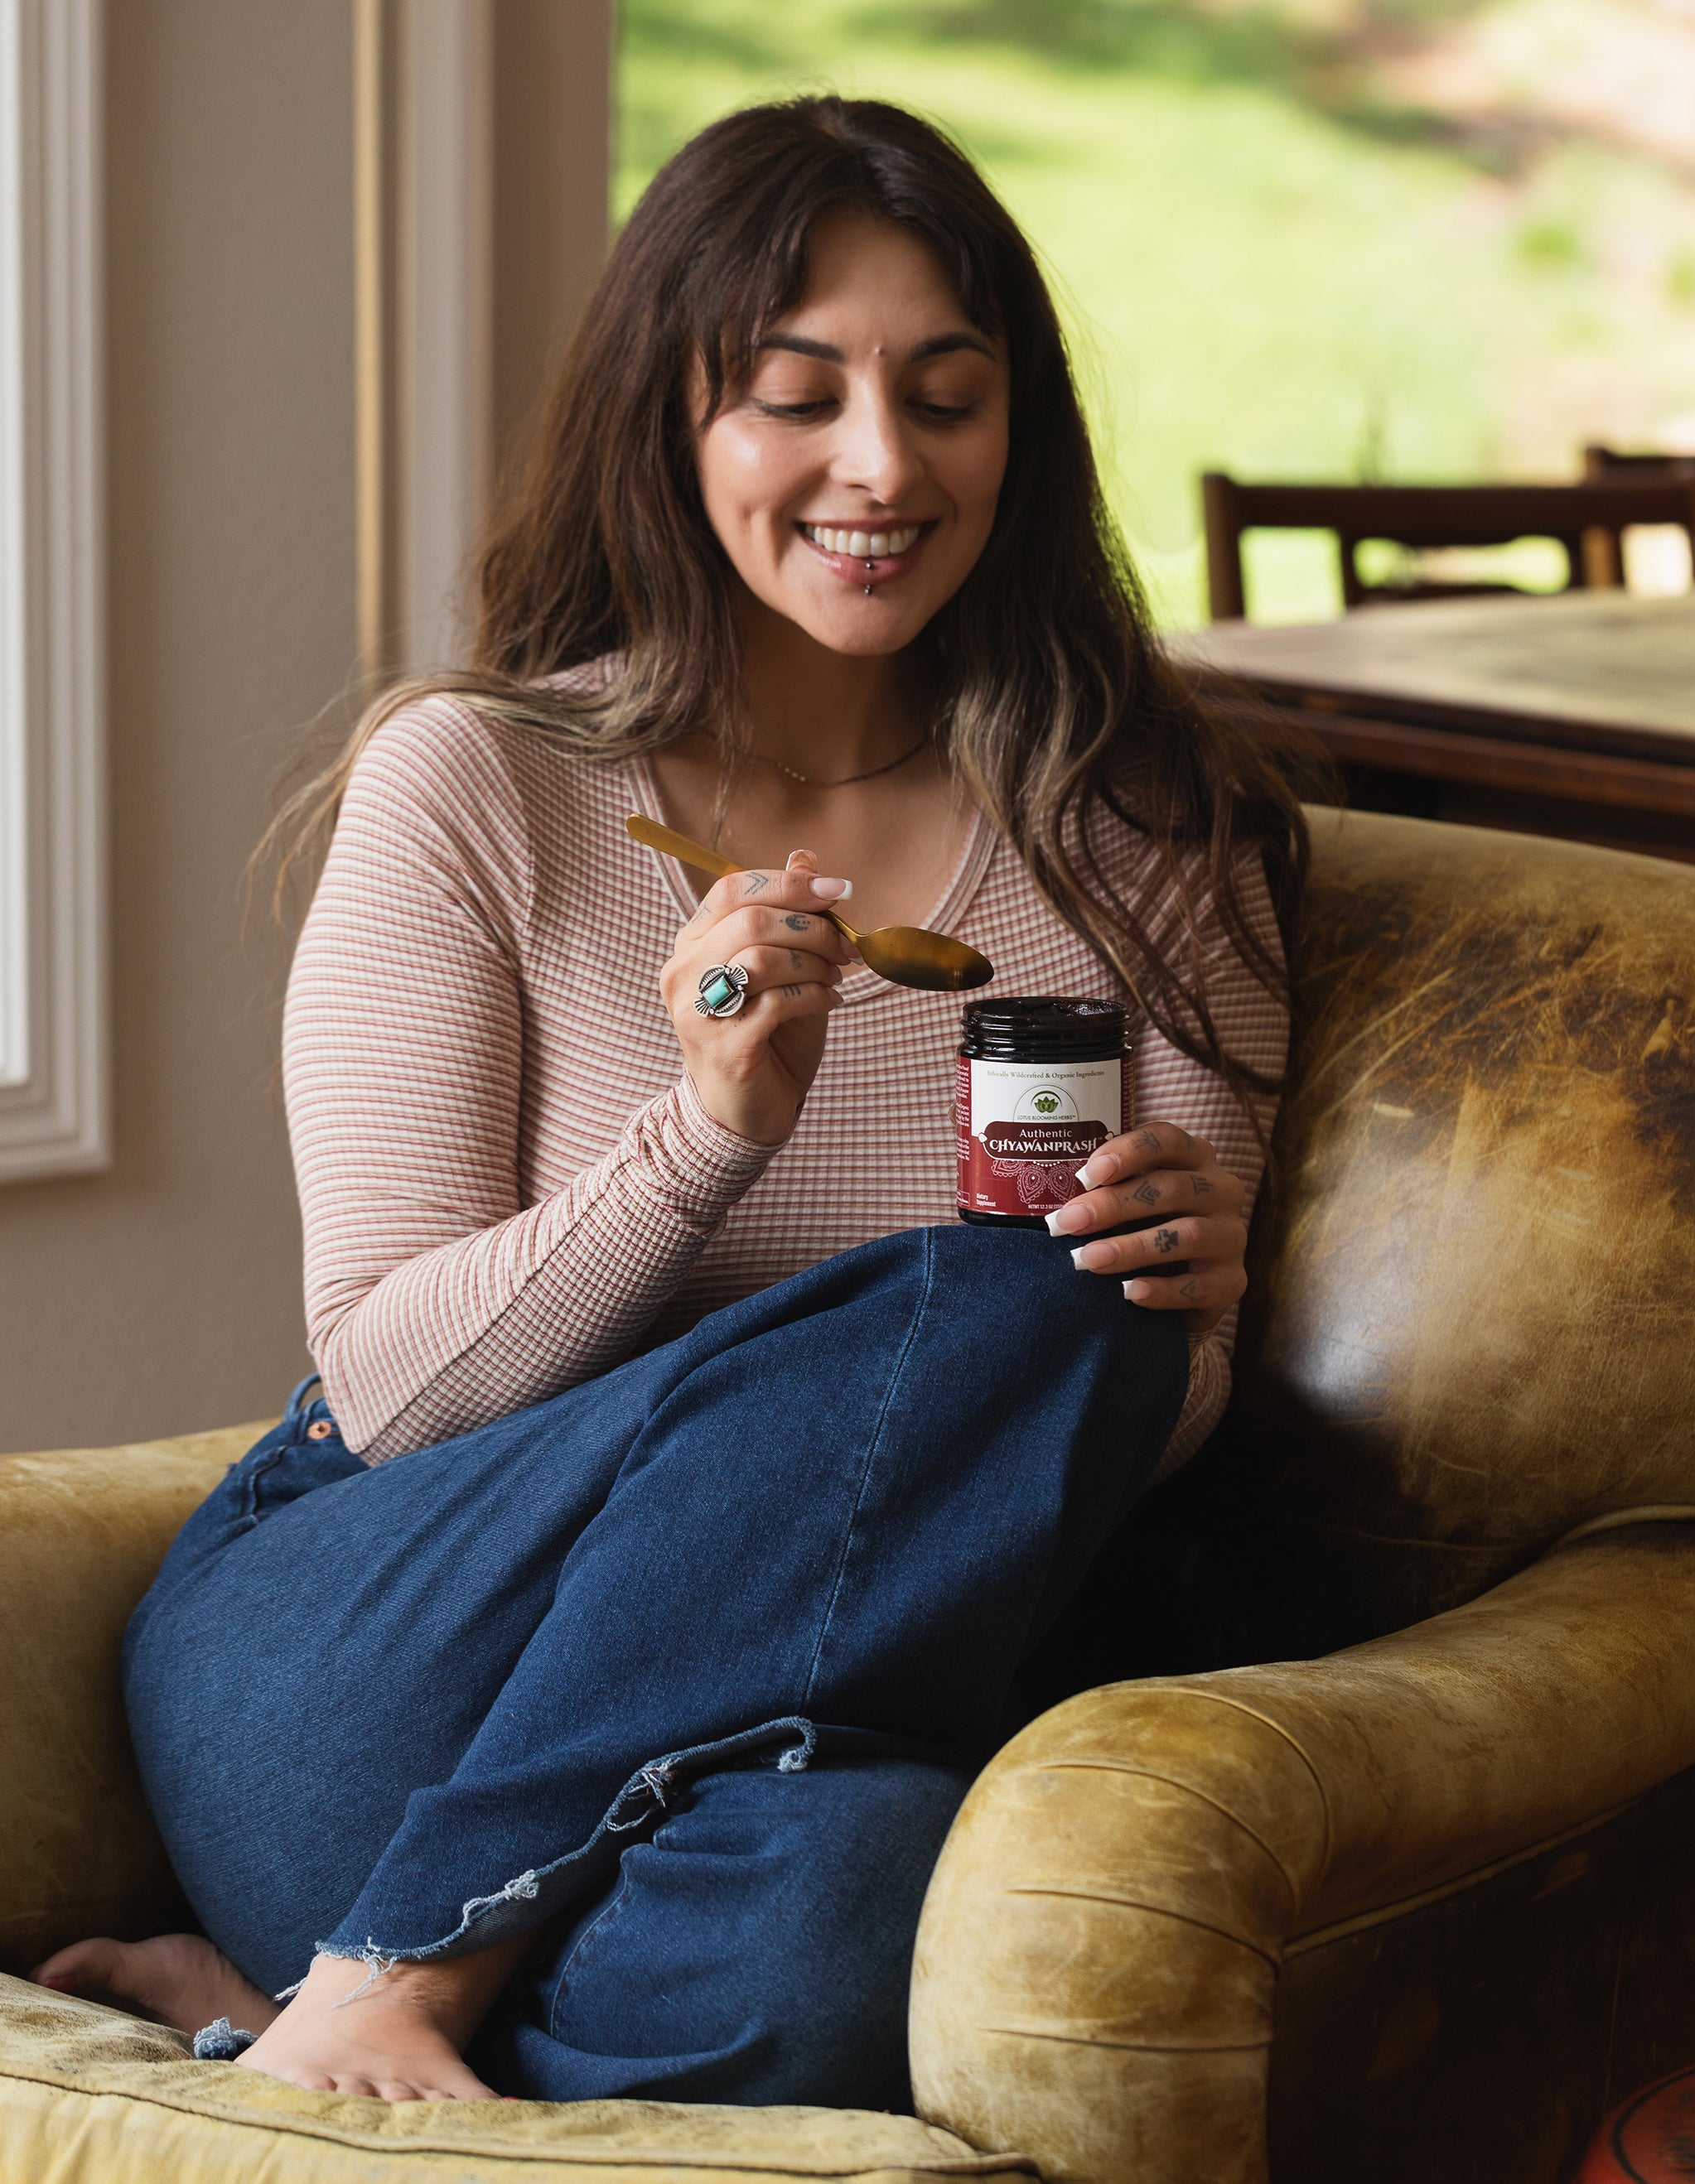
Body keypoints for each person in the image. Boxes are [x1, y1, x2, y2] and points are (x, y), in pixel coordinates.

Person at [31, 96, 1301, 2109]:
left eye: (947, 399)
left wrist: (1179, 1316)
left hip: (800, 1726)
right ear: (672, 424)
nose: (881, 466)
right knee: (978, 1297)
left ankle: (314, 1988)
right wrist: (701, 1136)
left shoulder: (1145, 831)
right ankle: (390, 1949)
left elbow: (1117, 1420)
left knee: (849, 1913)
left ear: (1016, 437)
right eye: (797, 398)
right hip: (377, 1644)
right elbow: (396, 1390)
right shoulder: (475, 785)